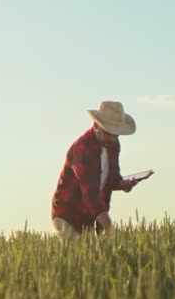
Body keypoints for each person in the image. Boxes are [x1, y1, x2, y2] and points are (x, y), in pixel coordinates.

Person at [51, 101, 152, 238]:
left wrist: (123, 185)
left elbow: (113, 178)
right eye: (108, 133)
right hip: (68, 215)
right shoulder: (82, 149)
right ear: (96, 126)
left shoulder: (113, 145)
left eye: (116, 134)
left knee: (93, 255)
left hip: (90, 217)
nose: (112, 138)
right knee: (79, 255)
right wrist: (111, 229)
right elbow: (90, 193)